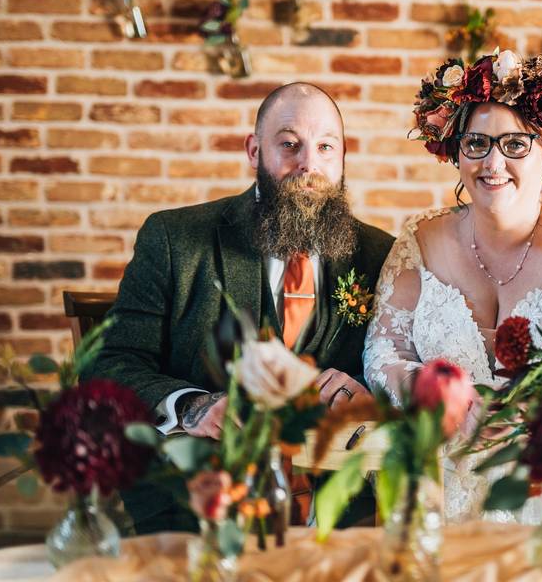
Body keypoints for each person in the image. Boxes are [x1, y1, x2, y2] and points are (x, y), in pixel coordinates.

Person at [84, 82, 394, 534]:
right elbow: (108, 364)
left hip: (339, 510)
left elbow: (401, 366)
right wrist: (193, 406)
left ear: (343, 156)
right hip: (202, 504)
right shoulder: (174, 239)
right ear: (254, 151)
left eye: (326, 147)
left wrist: (364, 389)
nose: (309, 163)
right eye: (289, 144)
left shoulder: (379, 253)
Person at [362, 51, 542, 524]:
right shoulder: (419, 239)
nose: (492, 162)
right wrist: (428, 391)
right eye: (477, 143)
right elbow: (381, 353)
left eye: (515, 144)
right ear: (456, 151)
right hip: (437, 493)